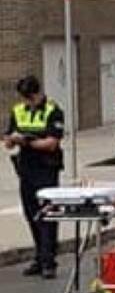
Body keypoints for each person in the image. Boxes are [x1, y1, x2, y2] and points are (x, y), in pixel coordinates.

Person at [3, 76, 64, 279]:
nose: (27, 102)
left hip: (46, 169)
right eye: (24, 99)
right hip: (26, 169)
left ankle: (49, 261)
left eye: (30, 98)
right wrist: (12, 140)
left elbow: (52, 143)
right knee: (31, 214)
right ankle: (39, 258)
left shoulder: (53, 110)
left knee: (47, 214)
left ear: (38, 93)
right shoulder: (18, 111)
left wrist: (28, 142)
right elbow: (8, 139)